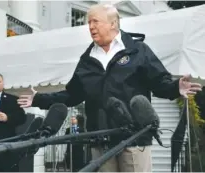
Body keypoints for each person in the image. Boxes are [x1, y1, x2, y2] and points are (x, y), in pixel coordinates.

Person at [17, 4, 202, 172]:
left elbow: (159, 83)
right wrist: (39, 99)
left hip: (134, 140)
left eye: (95, 21)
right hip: (100, 142)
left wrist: (175, 87)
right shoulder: (86, 60)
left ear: (113, 23)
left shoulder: (138, 50)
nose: (90, 27)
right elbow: (71, 95)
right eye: (88, 22)